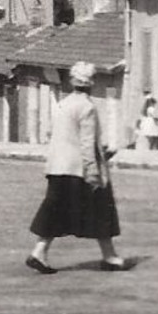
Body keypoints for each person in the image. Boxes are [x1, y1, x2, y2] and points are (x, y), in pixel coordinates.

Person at [26, 61, 128, 273]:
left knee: (55, 210)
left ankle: (40, 251)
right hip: (79, 169)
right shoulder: (87, 107)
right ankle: (109, 256)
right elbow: (86, 143)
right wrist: (93, 172)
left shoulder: (63, 104)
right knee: (102, 209)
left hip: (57, 167)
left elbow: (67, 136)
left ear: (73, 81)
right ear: (91, 82)